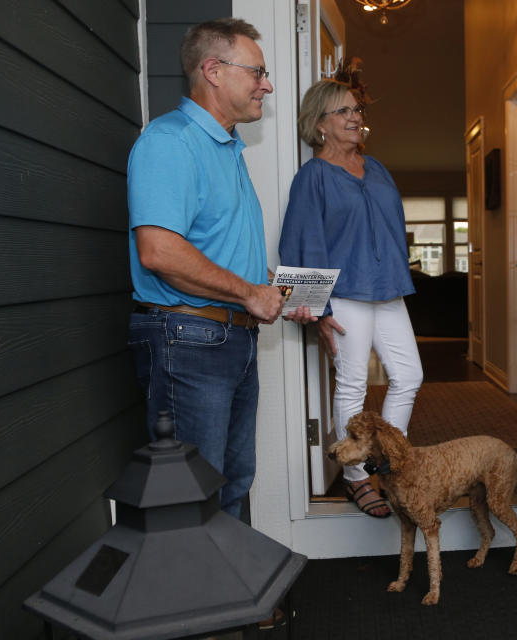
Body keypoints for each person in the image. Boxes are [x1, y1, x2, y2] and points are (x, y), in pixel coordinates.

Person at [127, 18, 306, 520]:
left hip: (228, 339)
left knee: (230, 484)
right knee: (193, 493)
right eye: (258, 73)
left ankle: (235, 597)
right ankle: (201, 600)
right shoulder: (171, 142)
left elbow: (214, 250)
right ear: (213, 70)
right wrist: (248, 294)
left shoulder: (226, 149)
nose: (266, 85)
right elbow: (159, 251)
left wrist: (269, 292)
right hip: (187, 339)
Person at [279, 78, 423, 518]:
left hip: (388, 289)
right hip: (344, 296)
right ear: (319, 123)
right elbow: (302, 243)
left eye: (357, 110)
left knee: (409, 376)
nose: (355, 117)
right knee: (354, 385)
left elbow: (393, 228)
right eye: (343, 111)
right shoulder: (313, 177)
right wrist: (318, 311)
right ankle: (357, 479)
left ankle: (386, 462)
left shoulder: (376, 168)